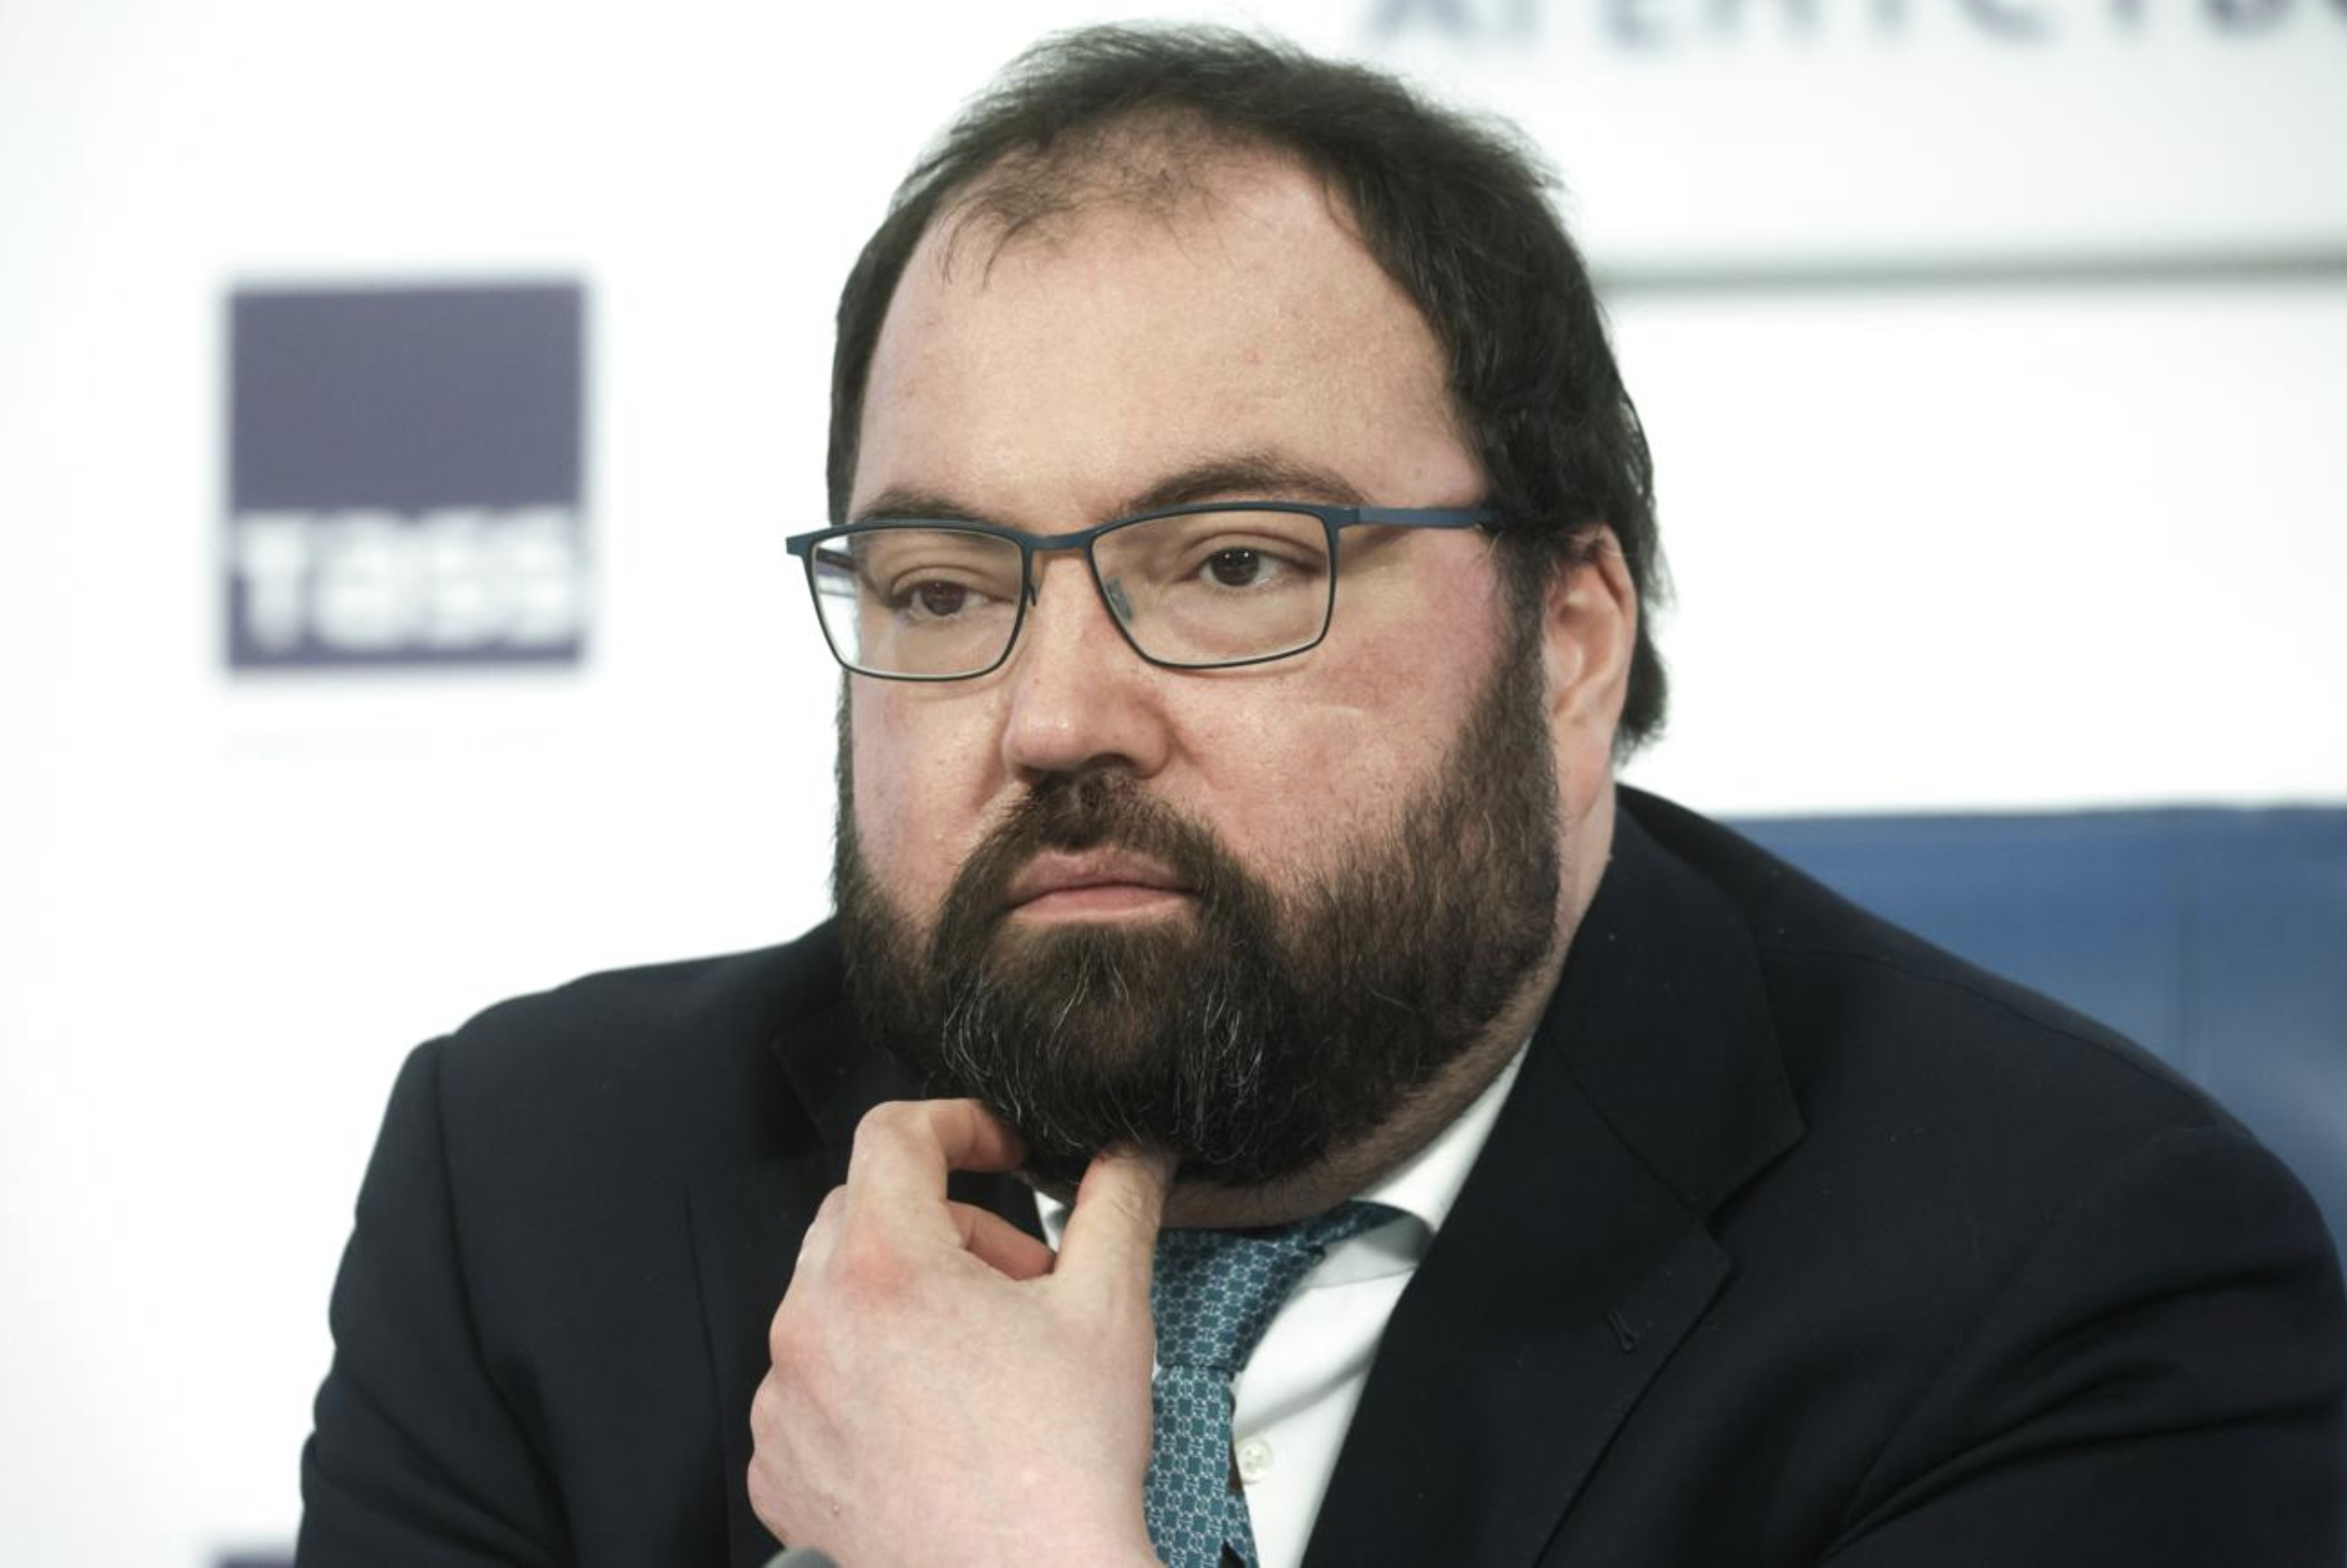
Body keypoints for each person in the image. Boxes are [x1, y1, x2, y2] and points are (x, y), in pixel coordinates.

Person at [297, 25, 2345, 1568]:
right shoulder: (534, 1194)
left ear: (1568, 637)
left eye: (1230, 564)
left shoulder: (2069, 1286)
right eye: (943, 588)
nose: (1053, 714)